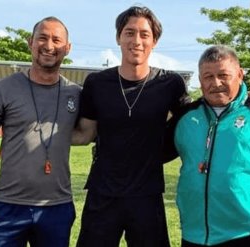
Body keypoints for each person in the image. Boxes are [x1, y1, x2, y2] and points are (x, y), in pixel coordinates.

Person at [72, 5, 190, 247]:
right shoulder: (97, 83)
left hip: (147, 194)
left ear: (154, 41)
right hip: (103, 194)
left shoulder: (170, 83)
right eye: (129, 32)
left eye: (144, 34)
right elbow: (85, 133)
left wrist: (242, 102)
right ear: (118, 37)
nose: (136, 41)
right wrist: (35, 129)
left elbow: (194, 119)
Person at [0, 16, 81, 247]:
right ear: (30, 42)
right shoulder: (4, 88)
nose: (49, 45)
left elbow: (90, 132)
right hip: (8, 205)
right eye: (42, 38)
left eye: (57, 39)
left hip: (56, 207)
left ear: (67, 48)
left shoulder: (75, 94)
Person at [172, 45, 250, 246]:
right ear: (200, 80)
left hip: (246, 233)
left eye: (224, 75)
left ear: (240, 75)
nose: (216, 83)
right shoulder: (186, 117)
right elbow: (150, 151)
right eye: (208, 76)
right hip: (194, 234)